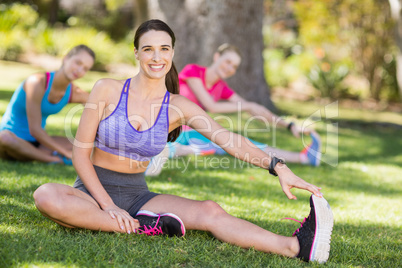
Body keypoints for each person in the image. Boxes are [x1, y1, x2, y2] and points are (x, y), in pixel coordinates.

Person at [33, 20, 333, 263]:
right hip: (91, 190)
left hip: (138, 195)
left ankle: (295, 246)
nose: (156, 56)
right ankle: (144, 227)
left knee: (210, 210)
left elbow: (229, 140)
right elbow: (80, 155)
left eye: (164, 49)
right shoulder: (107, 90)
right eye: (148, 49)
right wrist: (108, 205)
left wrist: (279, 166)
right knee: (47, 196)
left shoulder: (178, 106)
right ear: (136, 53)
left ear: (172, 53)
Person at [145, 44, 321, 176]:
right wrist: (248, 106)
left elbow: (254, 110)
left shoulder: (221, 87)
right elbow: (212, 106)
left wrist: (289, 125)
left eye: (234, 66)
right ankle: (168, 151)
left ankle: (303, 158)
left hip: (189, 131)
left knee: (239, 142)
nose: (229, 68)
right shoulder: (193, 71)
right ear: (216, 57)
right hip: (164, 124)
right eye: (227, 61)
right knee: (216, 142)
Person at [0, 44, 95, 165]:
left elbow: (99, 108)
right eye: (78, 62)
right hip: (11, 140)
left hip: (38, 144)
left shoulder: (73, 92)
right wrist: (66, 153)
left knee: (87, 146)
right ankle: (54, 159)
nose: (79, 70)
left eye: (85, 68)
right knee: (4, 138)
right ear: (66, 58)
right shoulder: (37, 83)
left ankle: (42, 154)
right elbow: (34, 129)